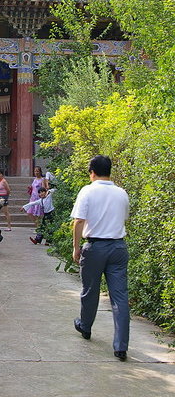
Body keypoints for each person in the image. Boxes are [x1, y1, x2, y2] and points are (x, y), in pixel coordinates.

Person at [71, 155, 130, 362]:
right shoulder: (121, 193)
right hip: (118, 247)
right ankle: (121, 346)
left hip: (95, 246)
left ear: (92, 172)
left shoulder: (88, 191)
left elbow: (79, 222)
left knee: (90, 290)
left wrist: (76, 248)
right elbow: (123, 218)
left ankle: (85, 326)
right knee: (120, 297)